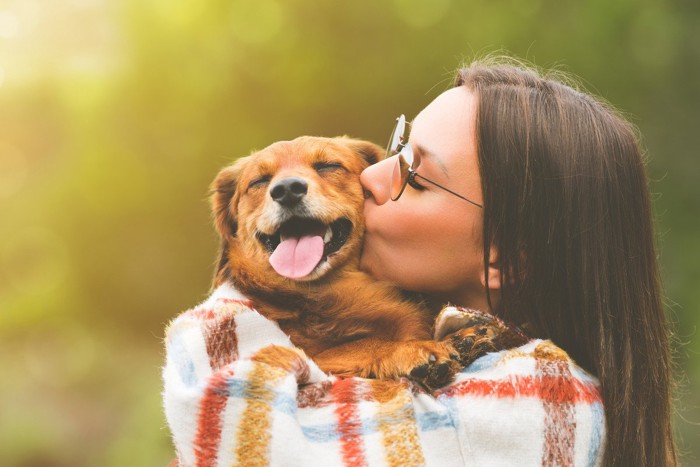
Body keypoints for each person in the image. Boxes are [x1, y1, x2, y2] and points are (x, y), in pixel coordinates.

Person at [163, 57, 676, 466]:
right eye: (397, 150)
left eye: (418, 177)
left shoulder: (539, 404)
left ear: (504, 256)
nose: (371, 178)